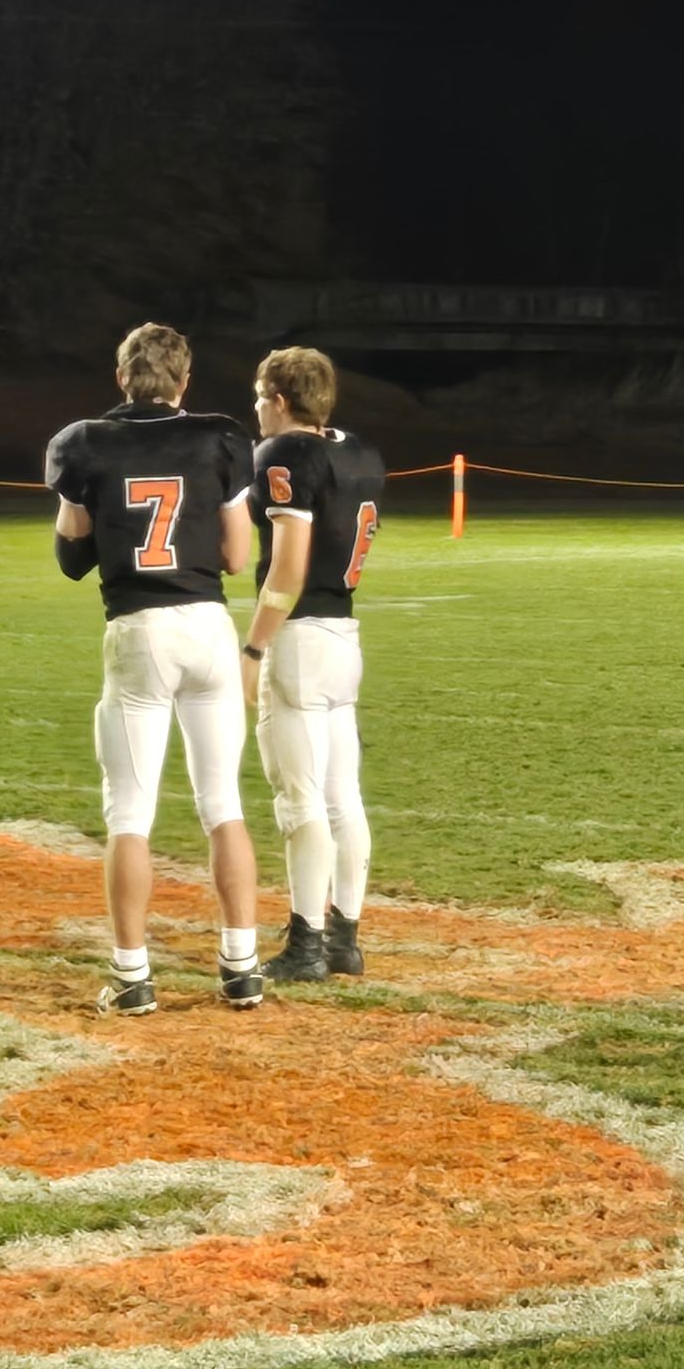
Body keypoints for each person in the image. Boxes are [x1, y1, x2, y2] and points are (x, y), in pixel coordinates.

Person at [47, 322, 265, 1014]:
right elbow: (236, 558)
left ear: (122, 379)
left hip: (139, 630)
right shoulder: (220, 437)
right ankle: (242, 965)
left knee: (130, 814)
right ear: (184, 381)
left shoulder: (84, 443)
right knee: (222, 804)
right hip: (206, 628)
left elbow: (72, 559)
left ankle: (134, 975)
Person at [239, 345, 385, 984]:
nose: (256, 412)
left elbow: (289, 565)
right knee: (341, 798)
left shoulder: (283, 454)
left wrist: (252, 647)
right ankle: (344, 939)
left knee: (299, 801)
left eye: (258, 399)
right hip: (344, 634)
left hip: (298, 640)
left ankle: (306, 946)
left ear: (278, 399)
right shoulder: (359, 451)